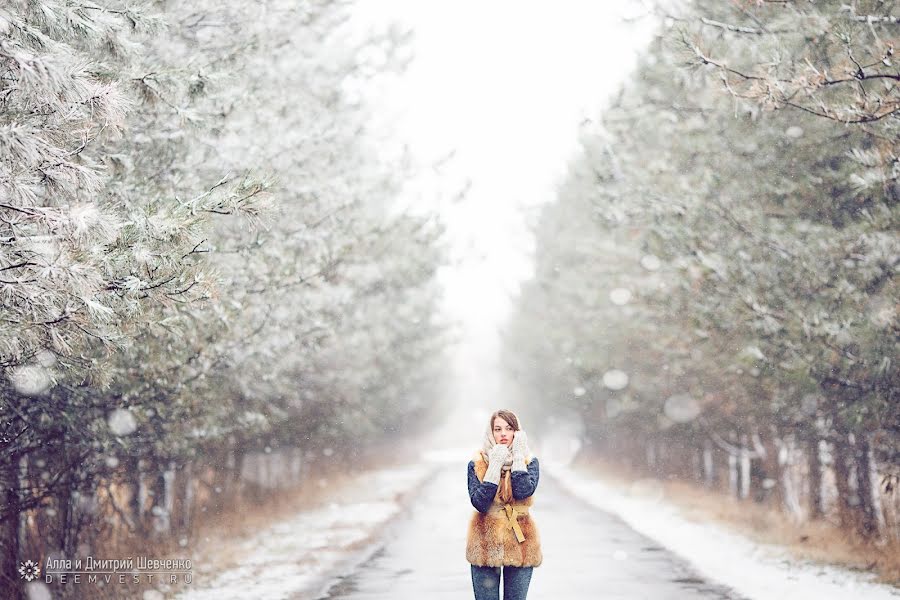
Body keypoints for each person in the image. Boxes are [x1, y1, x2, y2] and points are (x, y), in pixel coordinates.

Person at [466, 409, 542, 600]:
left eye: (509, 428)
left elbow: (523, 491)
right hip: (485, 542)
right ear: (490, 432)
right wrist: (494, 464)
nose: (503, 434)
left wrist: (517, 457)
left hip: (521, 540)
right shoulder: (477, 463)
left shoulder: (529, 461)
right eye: (497, 429)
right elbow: (480, 503)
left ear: (517, 432)